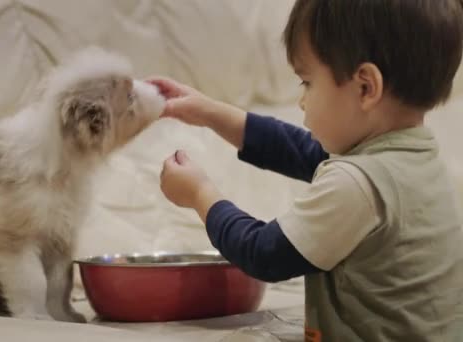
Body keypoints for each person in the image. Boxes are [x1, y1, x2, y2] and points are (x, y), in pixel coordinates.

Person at [148, 1, 463, 341]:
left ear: (366, 87)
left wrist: (199, 194)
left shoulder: (357, 185)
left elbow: (263, 253)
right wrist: (209, 112)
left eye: (307, 82)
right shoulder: (416, 161)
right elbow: (297, 150)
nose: (301, 101)